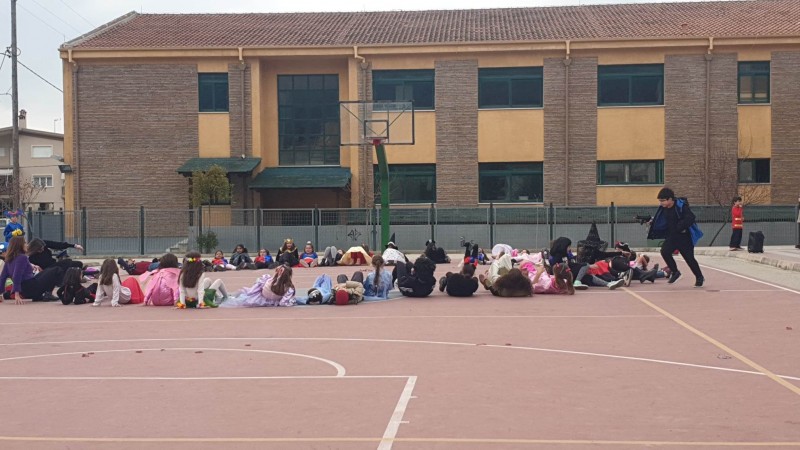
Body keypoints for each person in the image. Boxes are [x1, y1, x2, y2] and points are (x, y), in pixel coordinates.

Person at [647, 187, 705, 287]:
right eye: (660, 201)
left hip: (684, 237)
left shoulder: (681, 206)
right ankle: (675, 272)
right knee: (665, 252)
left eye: (663, 201)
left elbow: (691, 218)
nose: (661, 203)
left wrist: (679, 227)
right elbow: (661, 220)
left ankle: (699, 277)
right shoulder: (663, 208)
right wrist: (652, 222)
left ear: (670, 199)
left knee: (689, 258)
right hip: (672, 236)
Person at [0, 236, 63, 303]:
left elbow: (2, 277)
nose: (27, 245)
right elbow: (17, 276)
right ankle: (49, 293)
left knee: (47, 271)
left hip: (25, 289)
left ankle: (39, 296)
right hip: (31, 287)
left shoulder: (8, 260)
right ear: (19, 245)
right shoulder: (22, 257)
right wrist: (17, 294)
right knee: (57, 269)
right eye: (24, 243)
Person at [220, 265, 296, 307]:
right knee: (295, 299)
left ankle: (226, 297)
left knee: (240, 295)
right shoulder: (289, 288)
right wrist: (292, 301)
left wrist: (249, 292)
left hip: (258, 299)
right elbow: (283, 303)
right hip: (272, 302)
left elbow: (253, 289)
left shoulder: (267, 279)